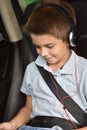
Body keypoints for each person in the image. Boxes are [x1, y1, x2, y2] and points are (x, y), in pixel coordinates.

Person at [0, 0, 87, 129]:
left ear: (70, 39)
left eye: (49, 46)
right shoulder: (32, 69)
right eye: (37, 47)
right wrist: (13, 124)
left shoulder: (83, 70)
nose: (43, 53)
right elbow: (28, 109)